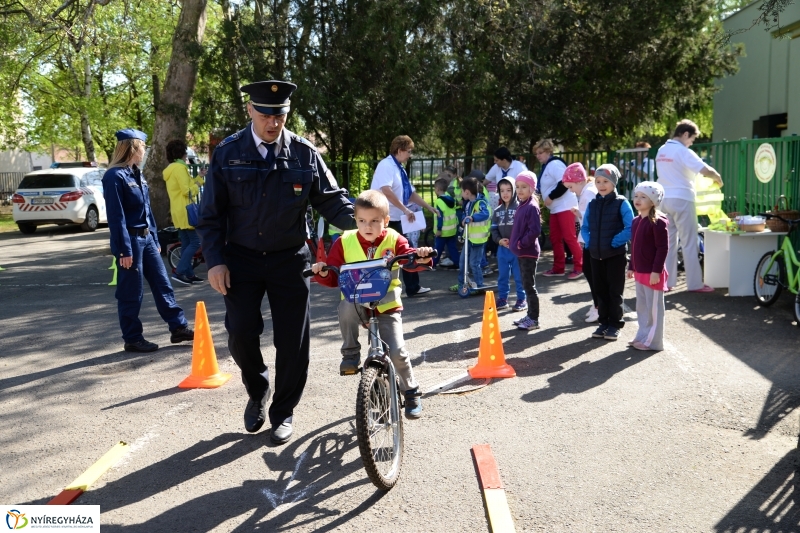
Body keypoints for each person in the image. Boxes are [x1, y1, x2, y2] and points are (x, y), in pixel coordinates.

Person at [196, 80, 355, 445]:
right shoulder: (228, 152)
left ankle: (283, 411)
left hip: (289, 259)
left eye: (280, 114)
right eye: (266, 113)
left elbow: (331, 201)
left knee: (293, 341)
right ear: (250, 111)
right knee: (240, 334)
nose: (273, 122)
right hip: (241, 259)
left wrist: (370, 224)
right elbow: (210, 215)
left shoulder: (304, 153)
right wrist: (216, 261)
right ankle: (257, 388)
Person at [311, 190, 433, 418]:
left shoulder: (394, 239)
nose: (368, 226)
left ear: (386, 221)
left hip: (386, 306)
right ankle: (350, 352)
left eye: (375, 221)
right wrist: (321, 270)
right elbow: (332, 274)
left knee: (397, 352)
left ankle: (411, 390)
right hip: (358, 303)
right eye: (362, 221)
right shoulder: (343, 242)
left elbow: (410, 259)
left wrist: (421, 256)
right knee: (345, 306)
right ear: (355, 220)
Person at [102, 129, 194, 353]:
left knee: (163, 284)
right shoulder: (114, 176)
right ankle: (132, 337)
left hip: (147, 239)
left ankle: (178, 328)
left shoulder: (136, 173)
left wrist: (154, 236)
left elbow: (147, 210)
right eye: (143, 146)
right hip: (131, 241)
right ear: (133, 147)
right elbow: (116, 217)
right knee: (131, 292)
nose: (145, 151)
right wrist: (123, 250)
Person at [655, 119, 723, 293]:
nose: (691, 143)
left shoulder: (662, 151)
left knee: (668, 243)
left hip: (664, 199)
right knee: (689, 242)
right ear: (685, 134)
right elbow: (705, 170)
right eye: (692, 139)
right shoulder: (683, 151)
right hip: (683, 198)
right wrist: (717, 178)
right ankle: (695, 284)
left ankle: (667, 283)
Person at [370, 135, 437, 296]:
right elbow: (386, 190)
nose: (410, 155)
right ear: (399, 150)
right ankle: (378, 288)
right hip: (381, 218)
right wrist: (405, 210)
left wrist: (429, 207)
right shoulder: (386, 165)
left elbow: (410, 194)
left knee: (405, 250)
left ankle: (413, 287)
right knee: (382, 252)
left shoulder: (399, 169)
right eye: (408, 151)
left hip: (393, 218)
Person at [580, 164, 634, 341]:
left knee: (614, 292)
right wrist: (590, 242)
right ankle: (603, 323)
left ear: (614, 183)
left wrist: (614, 242)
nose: (601, 185)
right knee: (600, 291)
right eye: (598, 181)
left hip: (615, 255)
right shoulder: (593, 204)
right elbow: (585, 227)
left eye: (606, 181)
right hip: (595, 254)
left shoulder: (621, 203)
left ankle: (615, 324)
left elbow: (630, 227)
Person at [627, 182, 669, 351]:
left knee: (654, 310)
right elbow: (634, 246)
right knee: (642, 307)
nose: (638, 199)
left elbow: (662, 248)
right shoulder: (636, 220)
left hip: (652, 273)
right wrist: (631, 266)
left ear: (653, 201)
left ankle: (654, 342)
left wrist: (656, 271)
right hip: (640, 271)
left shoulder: (659, 222)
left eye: (643, 197)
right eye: (637, 195)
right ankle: (643, 336)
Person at [535, 139, 582, 278]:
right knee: (555, 238)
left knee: (569, 237)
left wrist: (550, 197)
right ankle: (558, 268)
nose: (538, 156)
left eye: (540, 152)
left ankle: (580, 266)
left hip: (565, 206)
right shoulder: (547, 166)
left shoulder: (554, 164)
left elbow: (564, 183)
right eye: (536, 153)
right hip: (556, 208)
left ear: (548, 151)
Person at [163, 139, 205, 285]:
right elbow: (187, 191)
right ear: (181, 153)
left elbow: (186, 186)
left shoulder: (172, 169)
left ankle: (188, 273)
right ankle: (180, 271)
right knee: (195, 242)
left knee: (187, 242)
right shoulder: (180, 169)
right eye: (185, 151)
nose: (187, 154)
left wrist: (199, 177)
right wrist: (199, 183)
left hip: (178, 211)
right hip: (187, 211)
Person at [562, 163, 600, 323]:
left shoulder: (589, 192)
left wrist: (579, 213)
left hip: (591, 239)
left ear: (578, 181)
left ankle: (599, 306)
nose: (571, 191)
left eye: (571, 187)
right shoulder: (587, 191)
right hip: (589, 238)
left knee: (593, 273)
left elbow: (593, 215)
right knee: (590, 271)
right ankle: (598, 304)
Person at [509, 171, 542, 330]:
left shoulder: (531, 206)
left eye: (524, 187)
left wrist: (521, 243)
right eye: (518, 187)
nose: (520, 190)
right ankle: (529, 315)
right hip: (522, 252)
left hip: (528, 252)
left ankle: (534, 319)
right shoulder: (522, 204)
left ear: (531, 189)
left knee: (529, 286)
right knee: (525, 284)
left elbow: (534, 230)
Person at [490, 176, 526, 312]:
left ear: (514, 191)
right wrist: (499, 240)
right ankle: (503, 299)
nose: (505, 193)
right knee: (503, 276)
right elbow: (493, 230)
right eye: (502, 190)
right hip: (502, 250)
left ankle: (522, 299)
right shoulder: (497, 211)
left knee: (519, 275)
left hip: (517, 249)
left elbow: (524, 228)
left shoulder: (521, 208)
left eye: (509, 190)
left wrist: (518, 241)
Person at [452, 176, 491, 292]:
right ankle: (461, 284)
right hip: (469, 238)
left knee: (474, 263)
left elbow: (486, 214)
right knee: (462, 262)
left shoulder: (480, 203)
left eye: (461, 191)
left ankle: (479, 284)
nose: (461, 194)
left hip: (478, 240)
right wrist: (464, 219)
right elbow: (465, 214)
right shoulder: (468, 203)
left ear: (467, 192)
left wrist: (472, 218)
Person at [433, 177, 459, 268]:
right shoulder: (451, 199)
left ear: (438, 189)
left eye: (435, 188)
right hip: (452, 230)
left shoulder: (439, 201)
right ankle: (458, 263)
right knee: (452, 248)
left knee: (437, 249)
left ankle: (432, 264)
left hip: (443, 231)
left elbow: (440, 217)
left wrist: (439, 229)